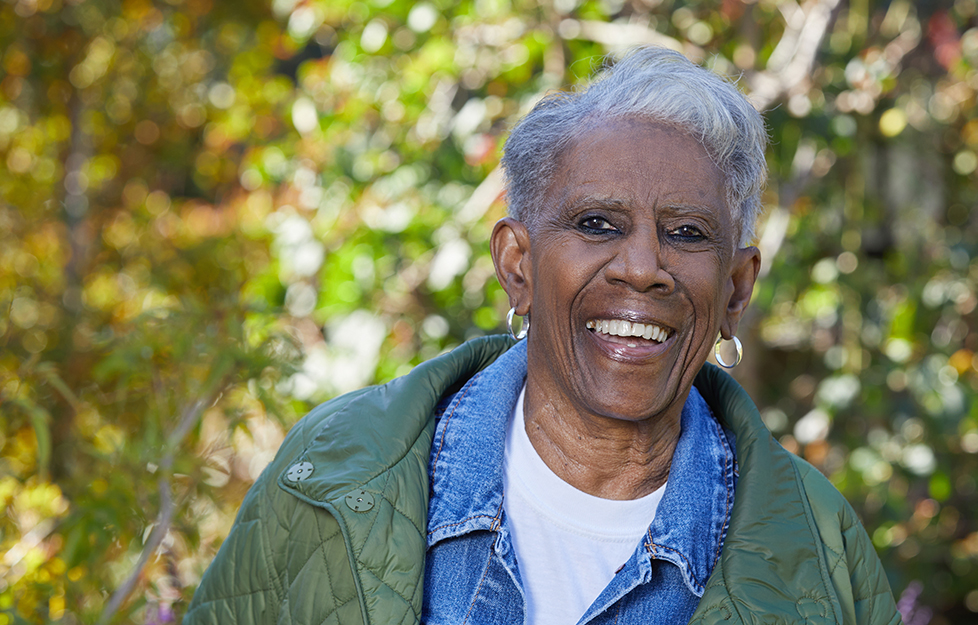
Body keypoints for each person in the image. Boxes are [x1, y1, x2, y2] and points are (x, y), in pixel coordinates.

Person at [183, 47, 901, 625]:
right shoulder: (335, 473)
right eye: (597, 224)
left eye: (686, 233)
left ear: (736, 289)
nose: (644, 267)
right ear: (517, 266)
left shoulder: (821, 549)